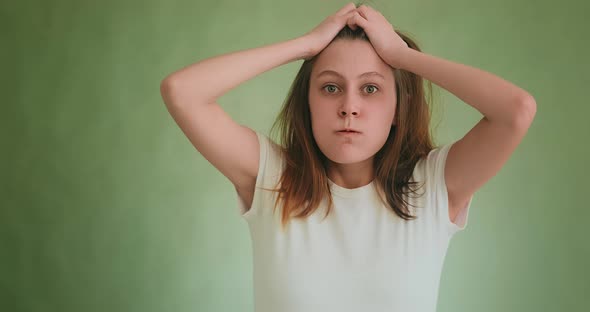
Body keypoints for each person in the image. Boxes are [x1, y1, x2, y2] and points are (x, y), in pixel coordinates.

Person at [159, 2, 536, 311]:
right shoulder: (272, 179)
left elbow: (516, 110)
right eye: (330, 87)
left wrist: (402, 58)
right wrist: (305, 46)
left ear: (399, 110)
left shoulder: (435, 187)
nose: (349, 106)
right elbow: (182, 91)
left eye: (370, 88)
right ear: (307, 103)